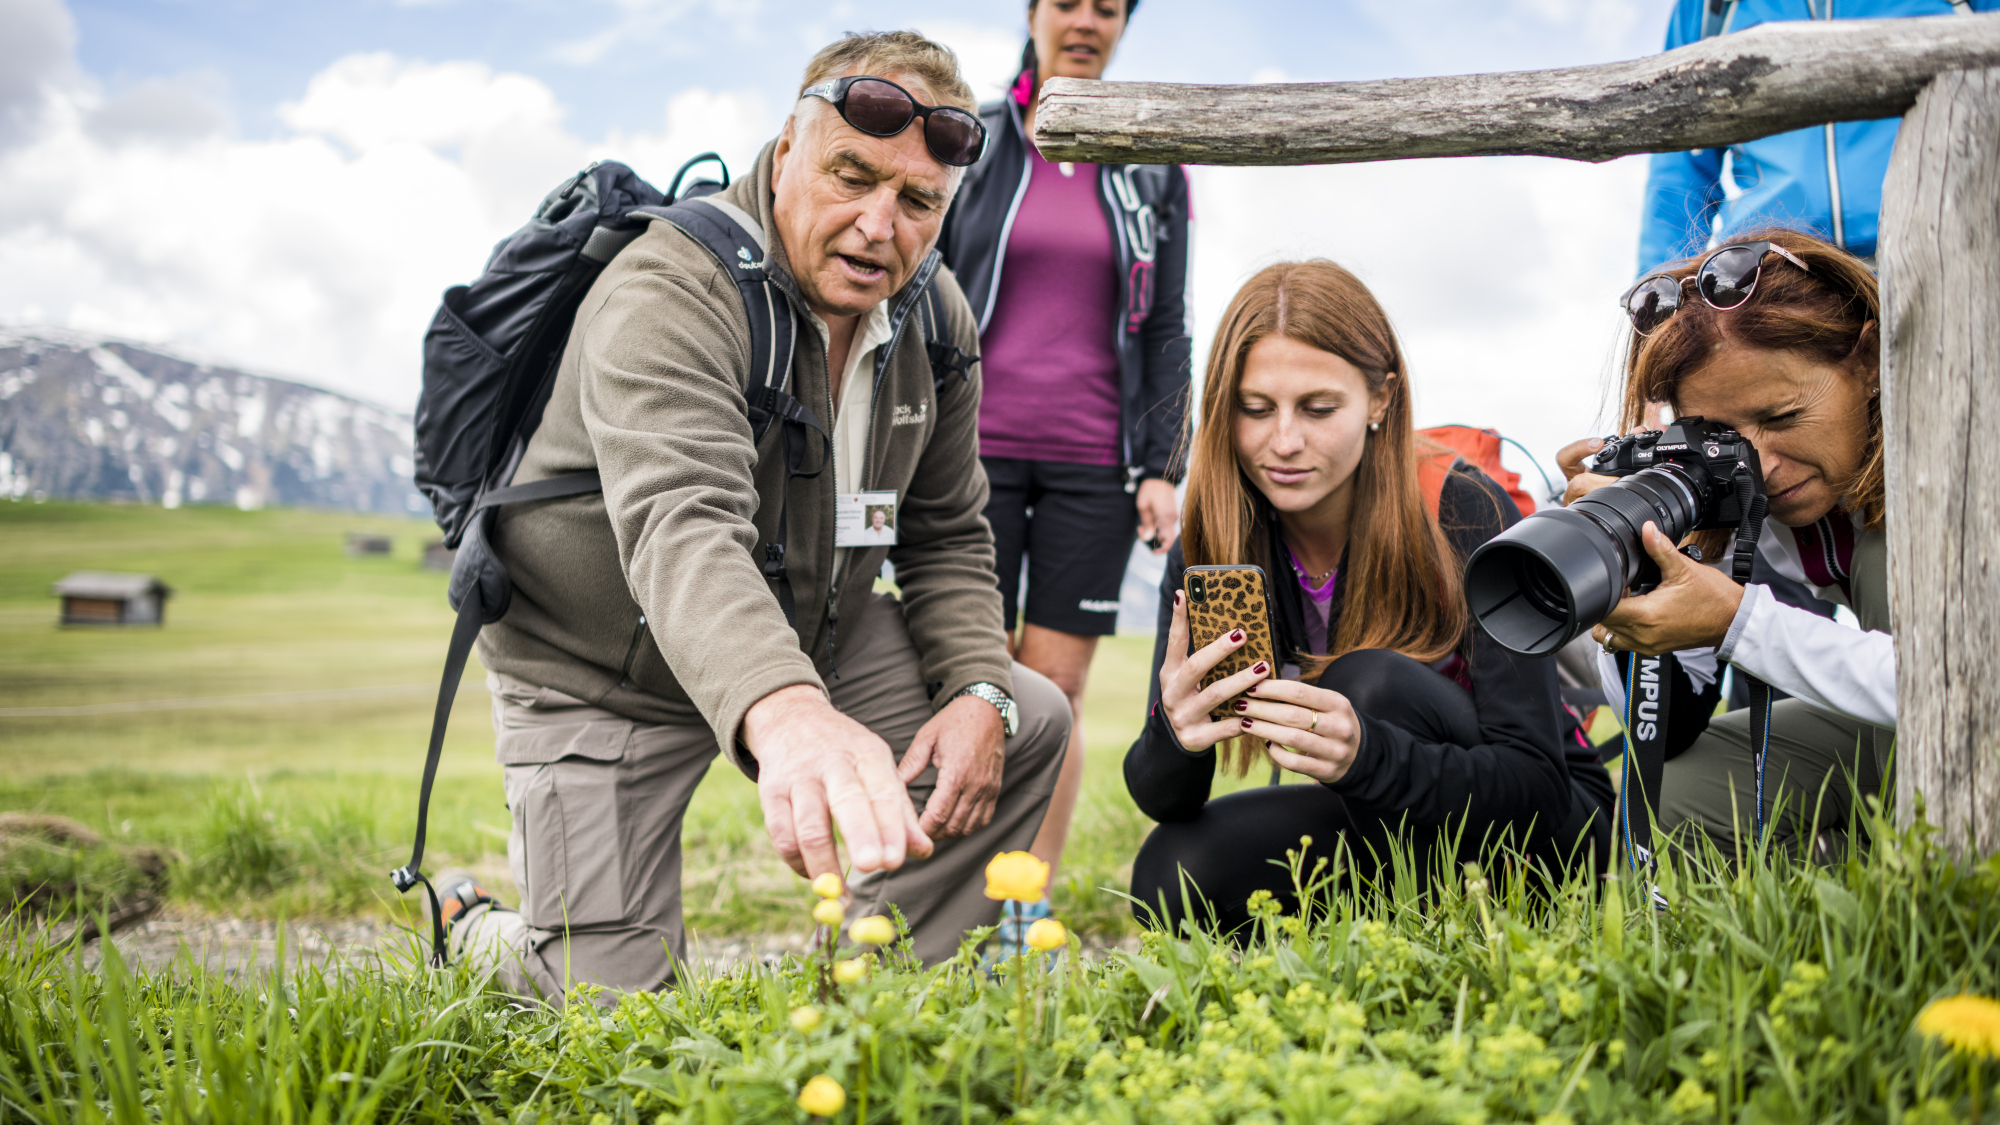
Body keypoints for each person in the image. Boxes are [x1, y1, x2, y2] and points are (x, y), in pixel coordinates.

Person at [439, 31, 1071, 1000]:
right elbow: (682, 525)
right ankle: (470, 929)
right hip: (597, 666)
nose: (877, 226)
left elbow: (945, 533)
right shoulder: (668, 286)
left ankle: (880, 997)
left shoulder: (935, 318)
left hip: (809, 625)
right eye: (850, 177)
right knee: (611, 1007)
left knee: (1020, 717)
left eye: (915, 203)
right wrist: (790, 717)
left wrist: (977, 689)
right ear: (786, 152)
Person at [1123, 261, 1605, 935]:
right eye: (1255, 409)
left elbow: (1539, 786)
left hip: (1547, 830)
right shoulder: (1214, 537)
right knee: (1171, 872)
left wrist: (1367, 755)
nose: (1284, 442)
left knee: (1368, 682)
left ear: (1381, 399)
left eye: (1319, 409)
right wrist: (1174, 731)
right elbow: (1163, 796)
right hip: (1384, 822)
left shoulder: (1461, 507)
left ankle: (1424, 932)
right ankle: (1390, 929)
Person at [938, 0, 1192, 940]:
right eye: (1067, 2)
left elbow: (1169, 322)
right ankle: (952, 885)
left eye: (1108, 6)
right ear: (1034, 14)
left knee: (1054, 694)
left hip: (1095, 467)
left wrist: (1164, 461)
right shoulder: (976, 140)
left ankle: (1021, 901)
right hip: (971, 456)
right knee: (976, 681)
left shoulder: (1153, 166)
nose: (1086, 20)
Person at [1563, 228, 1894, 859]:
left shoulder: (1958, 461)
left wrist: (1738, 622)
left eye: (1782, 417)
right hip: (1897, 711)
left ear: (1869, 359)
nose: (1760, 466)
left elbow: (1959, 687)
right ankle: (1834, 894)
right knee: (1665, 795)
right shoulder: (1742, 484)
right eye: (1720, 435)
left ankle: (1930, 886)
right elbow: (1670, 729)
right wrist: (1631, 558)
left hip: (1966, 709)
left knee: (1883, 558)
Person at [1637, 0, 1994, 275]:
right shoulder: (1706, 9)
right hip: (1769, 275)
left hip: (1948, 254)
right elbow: (1679, 169)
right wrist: (1657, 291)